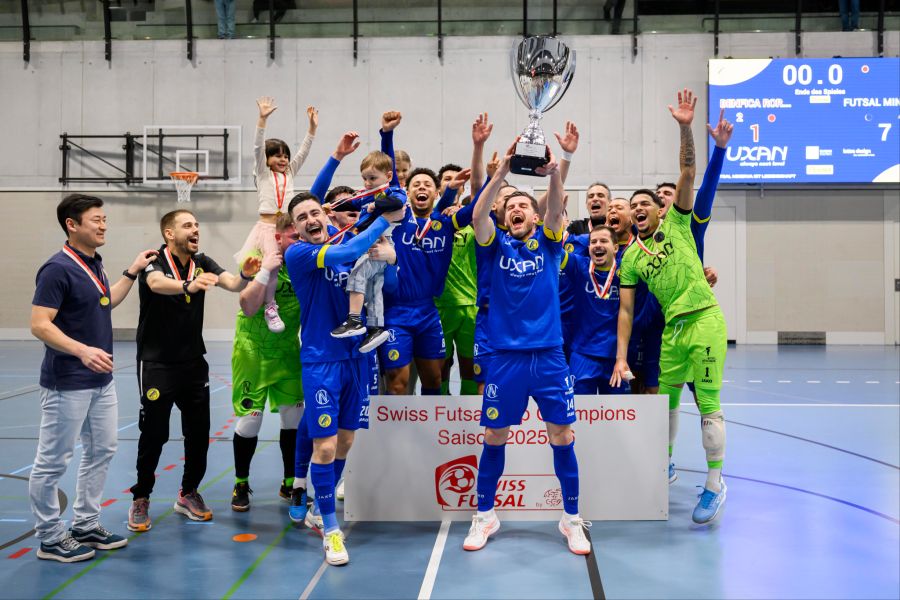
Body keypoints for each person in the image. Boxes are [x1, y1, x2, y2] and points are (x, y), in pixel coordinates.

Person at [465, 140, 591, 556]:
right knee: (494, 435)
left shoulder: (551, 243)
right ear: (503, 217)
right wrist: (500, 173)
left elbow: (557, 211)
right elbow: (477, 214)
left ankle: (571, 519)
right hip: (505, 357)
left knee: (562, 434)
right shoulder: (492, 246)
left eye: (523, 205)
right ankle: (485, 515)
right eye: (510, 207)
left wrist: (556, 171)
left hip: (550, 356)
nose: (516, 209)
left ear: (534, 217)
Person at [612, 88, 730, 525]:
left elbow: (687, 169)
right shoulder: (631, 258)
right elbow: (625, 311)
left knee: (709, 407)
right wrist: (622, 356)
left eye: (647, 203)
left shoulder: (680, 222)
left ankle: (715, 485)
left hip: (703, 320)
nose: (640, 208)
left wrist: (684, 126)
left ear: (661, 210)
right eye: (634, 206)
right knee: (666, 404)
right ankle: (661, 466)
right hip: (671, 333)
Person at [30, 194, 157, 562]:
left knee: (102, 450)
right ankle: (50, 536)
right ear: (72, 224)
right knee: (53, 460)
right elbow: (40, 325)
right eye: (96, 220)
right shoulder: (57, 269)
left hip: (100, 382)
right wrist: (82, 350)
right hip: (67, 380)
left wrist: (131, 272)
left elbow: (105, 300)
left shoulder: (93, 263)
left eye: (104, 219)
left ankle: (85, 523)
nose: (103, 225)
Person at [284, 191, 403, 566]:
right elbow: (343, 255)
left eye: (314, 212)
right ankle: (332, 531)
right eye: (301, 217)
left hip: (359, 359)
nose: (309, 220)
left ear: (326, 215)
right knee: (325, 447)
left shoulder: (346, 241)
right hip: (322, 361)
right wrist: (386, 218)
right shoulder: (300, 255)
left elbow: (388, 282)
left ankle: (320, 506)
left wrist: (390, 250)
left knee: (347, 442)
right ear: (296, 228)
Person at [127, 209, 259, 532]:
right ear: (169, 233)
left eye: (197, 224)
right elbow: (156, 284)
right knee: (155, 434)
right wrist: (188, 285)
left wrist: (245, 272)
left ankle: (188, 493)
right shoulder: (153, 261)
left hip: (192, 362)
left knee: (199, 433)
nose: (195, 229)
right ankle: (141, 497)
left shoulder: (202, 260)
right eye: (188, 225)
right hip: (156, 362)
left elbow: (230, 282)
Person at [230, 213, 305, 512]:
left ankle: (290, 482)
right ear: (278, 237)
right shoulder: (256, 259)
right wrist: (264, 273)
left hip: (288, 349)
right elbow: (248, 307)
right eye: (293, 236)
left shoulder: (307, 262)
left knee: (293, 419)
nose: (299, 241)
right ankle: (241, 481)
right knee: (251, 420)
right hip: (253, 351)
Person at [236, 96, 317, 334]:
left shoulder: (290, 172)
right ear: (267, 160)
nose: (282, 159)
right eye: (277, 155)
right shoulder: (262, 174)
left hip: (288, 227)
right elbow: (257, 148)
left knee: (296, 263)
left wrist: (312, 128)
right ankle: (270, 306)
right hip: (267, 227)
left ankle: (303, 301)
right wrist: (262, 120)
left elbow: (304, 151)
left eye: (285, 155)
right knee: (270, 266)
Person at [331, 111, 408, 353]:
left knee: (357, 276)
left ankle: (354, 319)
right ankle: (376, 327)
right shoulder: (368, 194)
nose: (366, 183)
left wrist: (377, 205)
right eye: (364, 178)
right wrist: (331, 205)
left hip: (381, 246)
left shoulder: (392, 191)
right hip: (373, 247)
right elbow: (352, 203)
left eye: (372, 178)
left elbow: (398, 203)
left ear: (387, 176)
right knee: (374, 287)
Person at [561, 225, 629, 395]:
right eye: (593, 242)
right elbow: (552, 248)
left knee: (618, 414)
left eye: (603, 241)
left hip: (616, 356)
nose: (597, 245)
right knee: (580, 413)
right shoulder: (578, 265)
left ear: (615, 248)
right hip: (582, 354)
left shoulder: (627, 270)